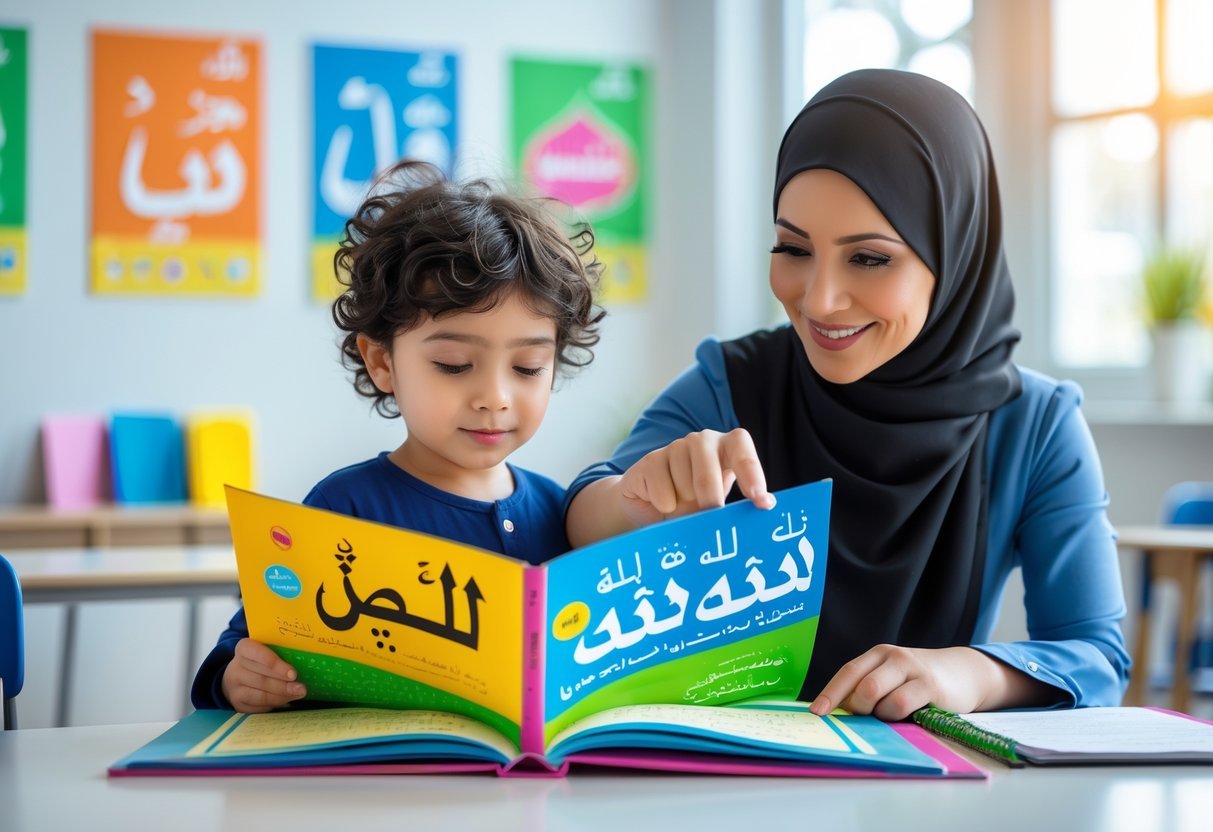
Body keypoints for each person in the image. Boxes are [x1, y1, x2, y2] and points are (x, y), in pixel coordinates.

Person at [565, 69, 1130, 721]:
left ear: (953, 254)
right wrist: (634, 499)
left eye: (868, 258)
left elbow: (1096, 656)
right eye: (791, 248)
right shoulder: (734, 381)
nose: (818, 299)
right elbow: (580, 513)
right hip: (721, 779)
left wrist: (966, 675)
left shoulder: (1033, 424)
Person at [193, 160, 604, 713]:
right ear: (383, 362)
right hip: (382, 792)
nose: (495, 397)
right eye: (456, 365)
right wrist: (237, 678)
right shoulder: (345, 508)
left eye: (529, 367)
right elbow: (247, 646)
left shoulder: (563, 514)